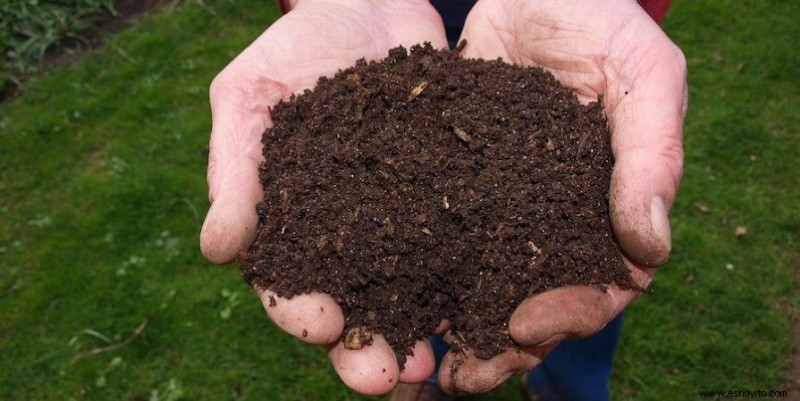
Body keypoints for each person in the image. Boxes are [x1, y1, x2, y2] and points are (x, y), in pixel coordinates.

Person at [199, 0, 687, 399]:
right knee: (429, 292)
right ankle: (433, 374)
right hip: (386, 13)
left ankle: (565, 389)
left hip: (544, 25)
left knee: (572, 311)